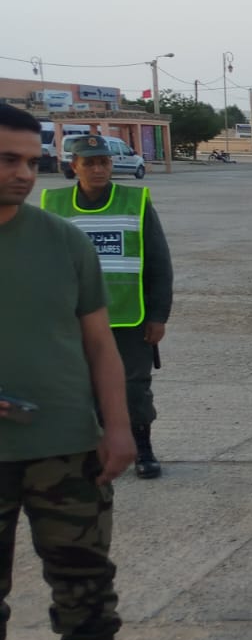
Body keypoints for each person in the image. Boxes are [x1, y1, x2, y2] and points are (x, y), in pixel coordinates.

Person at [0, 105, 142, 640]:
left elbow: (100, 346)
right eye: (8, 160)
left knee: (85, 579)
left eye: (32, 161)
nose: (23, 174)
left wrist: (118, 428)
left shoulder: (63, 242)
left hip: (65, 447)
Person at [40, 134, 173, 479]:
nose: (98, 169)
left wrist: (158, 315)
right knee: (80, 387)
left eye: (104, 162)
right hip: (75, 320)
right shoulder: (53, 204)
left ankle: (142, 448)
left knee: (134, 388)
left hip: (129, 317)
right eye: (90, 163)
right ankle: (92, 449)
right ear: (74, 166)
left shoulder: (135, 201)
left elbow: (158, 263)